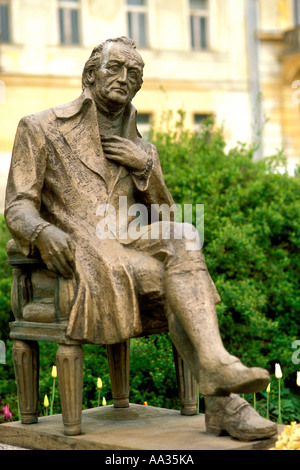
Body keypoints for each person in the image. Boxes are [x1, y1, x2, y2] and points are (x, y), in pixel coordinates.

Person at [5, 36, 277, 440]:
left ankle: (218, 368)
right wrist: (42, 232)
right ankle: (225, 405)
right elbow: (17, 206)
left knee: (184, 232)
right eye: (114, 68)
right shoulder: (42, 127)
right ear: (90, 73)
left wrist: (146, 167)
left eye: (134, 73)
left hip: (129, 240)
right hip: (86, 249)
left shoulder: (141, 147)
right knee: (176, 289)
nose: (124, 78)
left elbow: (161, 214)